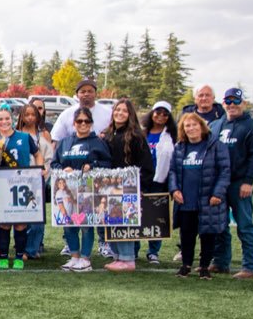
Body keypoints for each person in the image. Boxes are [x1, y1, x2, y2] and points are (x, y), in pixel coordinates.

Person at [209, 88, 253, 278]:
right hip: (218, 184)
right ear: (223, 103)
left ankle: (251, 267)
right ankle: (220, 261)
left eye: (236, 101)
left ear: (243, 103)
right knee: (219, 225)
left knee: (245, 225)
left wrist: (248, 181)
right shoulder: (215, 125)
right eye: (228, 101)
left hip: (239, 183)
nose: (232, 105)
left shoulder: (252, 127)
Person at [51, 107, 113, 273]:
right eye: (79, 121)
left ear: (91, 123)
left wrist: (92, 166)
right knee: (69, 225)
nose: (83, 124)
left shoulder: (98, 143)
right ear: (74, 123)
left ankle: (86, 259)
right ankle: (74, 257)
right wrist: (63, 170)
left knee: (86, 225)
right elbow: (54, 163)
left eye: (86, 121)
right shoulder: (64, 143)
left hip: (89, 191)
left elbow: (108, 163)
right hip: (68, 191)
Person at [170, 112, 230, 279]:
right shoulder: (180, 147)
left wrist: (217, 193)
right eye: (187, 126)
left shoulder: (215, 145)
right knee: (187, 234)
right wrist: (174, 190)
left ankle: (204, 267)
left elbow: (224, 171)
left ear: (202, 126)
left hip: (207, 199)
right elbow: (173, 171)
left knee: (208, 235)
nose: (191, 128)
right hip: (185, 200)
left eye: (194, 125)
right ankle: (186, 265)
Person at [0, 103, 42, 269]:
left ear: (12, 119)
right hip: (2, 184)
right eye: (0, 119)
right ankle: (3, 256)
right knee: (4, 222)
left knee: (20, 223)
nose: (4, 122)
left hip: (22, 184)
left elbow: (38, 155)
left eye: (7, 118)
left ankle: (19, 256)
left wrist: (41, 169)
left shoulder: (24, 137)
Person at [101, 99, 152, 272]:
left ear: (130, 114)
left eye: (124, 111)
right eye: (117, 110)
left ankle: (128, 259)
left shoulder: (136, 136)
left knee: (124, 222)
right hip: (108, 187)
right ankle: (117, 257)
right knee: (112, 222)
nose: (120, 113)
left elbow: (146, 164)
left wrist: (141, 188)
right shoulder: (107, 134)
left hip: (129, 186)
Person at [16, 103, 54, 259]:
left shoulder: (43, 135)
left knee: (37, 218)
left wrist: (44, 172)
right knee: (22, 217)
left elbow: (49, 157)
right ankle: (22, 247)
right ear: (22, 117)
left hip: (38, 179)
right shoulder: (17, 134)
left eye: (33, 114)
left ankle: (33, 248)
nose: (30, 117)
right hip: (20, 180)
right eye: (27, 114)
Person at [143, 101, 177, 264]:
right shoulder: (142, 132)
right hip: (142, 179)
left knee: (156, 216)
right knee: (137, 214)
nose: (161, 116)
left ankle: (153, 251)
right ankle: (134, 249)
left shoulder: (172, 135)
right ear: (152, 113)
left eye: (165, 114)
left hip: (160, 180)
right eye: (158, 112)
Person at [51, 78, 112, 143]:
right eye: (83, 92)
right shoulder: (66, 114)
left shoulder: (108, 112)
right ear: (77, 95)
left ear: (96, 94)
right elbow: (56, 138)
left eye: (90, 91)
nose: (86, 94)